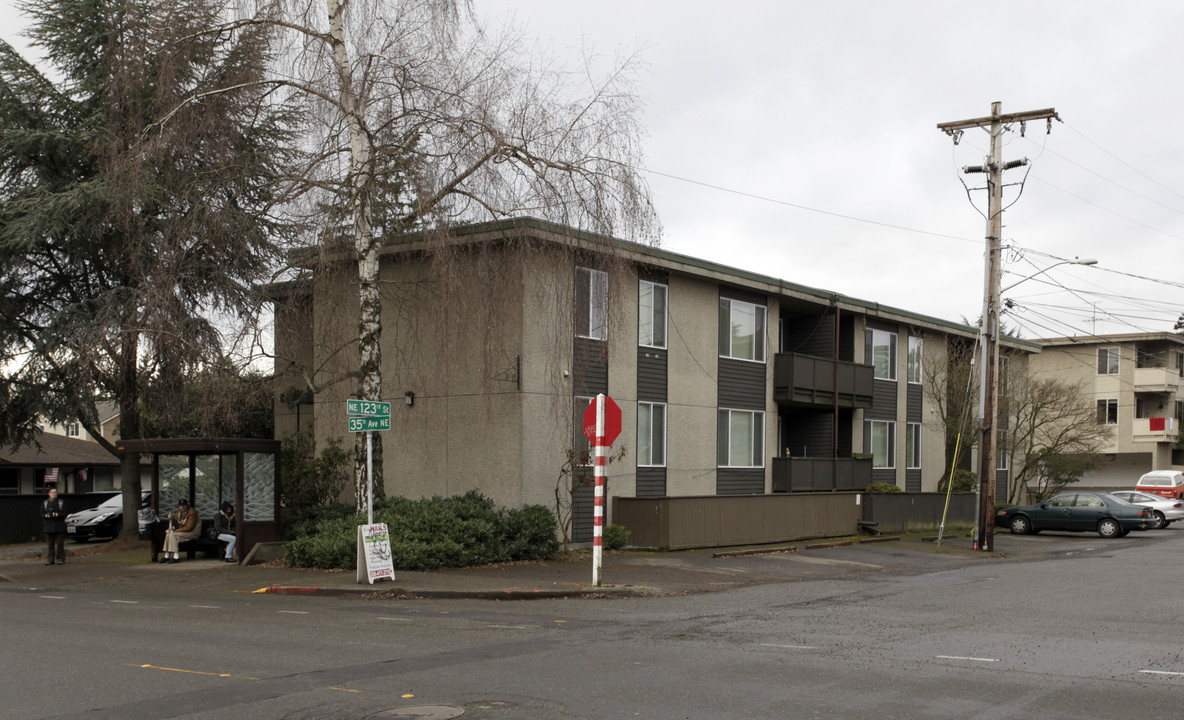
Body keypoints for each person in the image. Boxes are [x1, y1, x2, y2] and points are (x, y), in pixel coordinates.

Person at [161, 498, 200, 563]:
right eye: (181, 505)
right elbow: (177, 525)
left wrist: (175, 531)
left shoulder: (192, 513)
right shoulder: (179, 513)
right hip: (183, 532)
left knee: (173, 534)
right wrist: (172, 519)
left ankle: (176, 556)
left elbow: (189, 527)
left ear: (187, 505)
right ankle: (167, 555)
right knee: (168, 534)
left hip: (193, 533)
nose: (182, 507)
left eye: (184, 505)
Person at [41, 487, 67, 565]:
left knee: (60, 544)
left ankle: (60, 559)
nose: (54, 494)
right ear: (49, 494)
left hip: (59, 526)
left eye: (55, 492)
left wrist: (57, 514)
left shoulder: (61, 502)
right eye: (52, 492)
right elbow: (40, 513)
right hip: (48, 527)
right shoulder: (45, 503)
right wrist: (46, 515)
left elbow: (65, 513)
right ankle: (50, 560)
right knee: (50, 545)